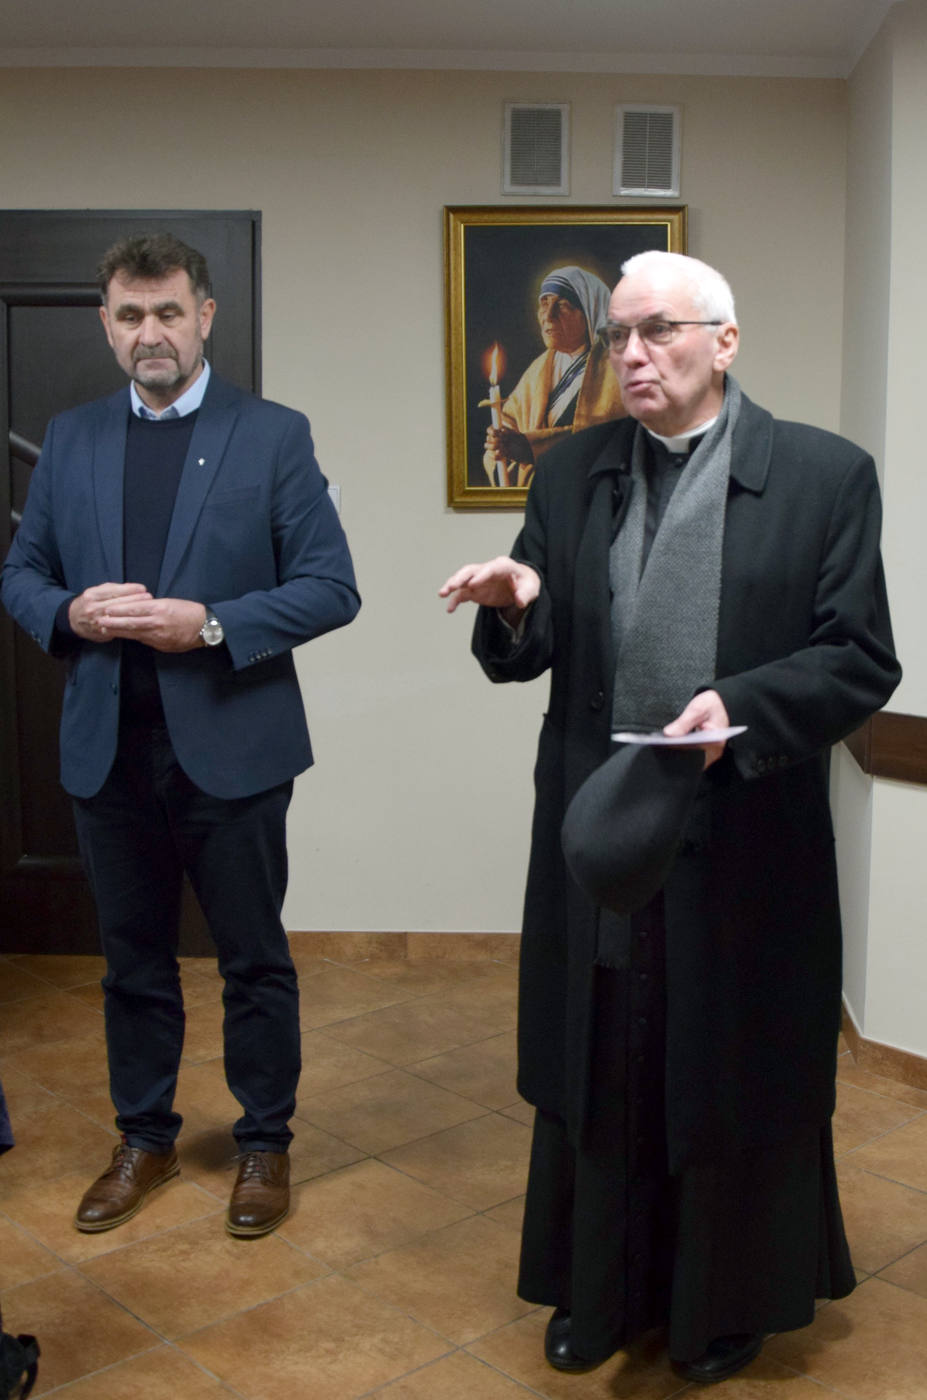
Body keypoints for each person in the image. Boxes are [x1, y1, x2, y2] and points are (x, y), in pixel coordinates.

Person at [441, 251, 900, 1384]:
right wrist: (513, 607)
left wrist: (737, 709)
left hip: (745, 837)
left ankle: (722, 1303)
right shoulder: (573, 472)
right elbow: (533, 645)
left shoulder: (824, 476)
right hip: (606, 831)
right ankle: (595, 1291)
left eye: (660, 331)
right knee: (604, 1057)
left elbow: (858, 658)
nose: (633, 354)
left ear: (724, 341)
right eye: (620, 336)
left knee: (726, 1059)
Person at [2, 233, 360, 1239]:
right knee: (132, 963)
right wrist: (68, 613)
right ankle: (144, 1136)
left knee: (252, 959)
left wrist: (208, 624)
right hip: (107, 749)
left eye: (168, 312)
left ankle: (265, 1142)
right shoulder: (72, 437)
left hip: (234, 749)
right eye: (130, 314)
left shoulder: (272, 434)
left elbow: (332, 587)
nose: (149, 332)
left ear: (205, 316)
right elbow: (22, 573)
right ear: (106, 325)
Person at [483, 265, 624, 488]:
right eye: (544, 303)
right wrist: (498, 444)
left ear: (590, 312)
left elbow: (609, 437)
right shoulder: (538, 369)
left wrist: (530, 447)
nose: (548, 316)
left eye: (563, 305)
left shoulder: (618, 369)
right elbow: (509, 421)